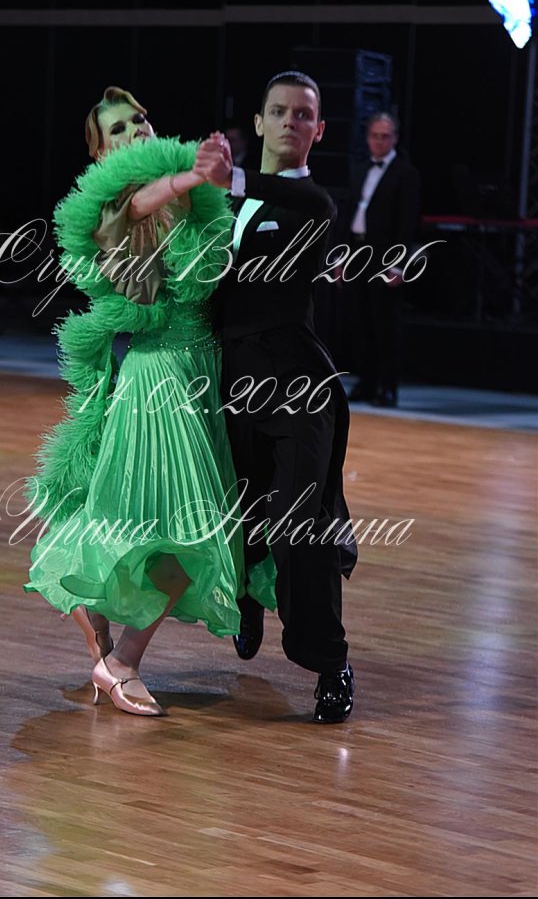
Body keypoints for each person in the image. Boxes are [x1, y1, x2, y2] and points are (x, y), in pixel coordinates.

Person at [23, 86, 259, 717]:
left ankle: (106, 645)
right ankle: (120, 661)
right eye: (119, 129)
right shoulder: (113, 209)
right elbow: (138, 202)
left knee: (166, 530)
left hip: (201, 373)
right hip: (158, 381)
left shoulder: (189, 203)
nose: (137, 132)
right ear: (102, 153)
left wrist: (206, 184)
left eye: (140, 120)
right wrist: (192, 175)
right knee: (187, 532)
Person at [194, 71, 358, 724]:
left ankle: (330, 662)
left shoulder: (312, 204)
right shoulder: (223, 205)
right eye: (279, 111)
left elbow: (306, 203)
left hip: (297, 388)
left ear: (319, 130)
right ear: (259, 122)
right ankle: (246, 598)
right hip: (231, 383)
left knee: (300, 526)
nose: (291, 121)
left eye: (304, 114)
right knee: (236, 515)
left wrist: (228, 177)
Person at [343, 112, 421, 407]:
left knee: (384, 324)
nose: (379, 141)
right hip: (358, 252)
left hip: (385, 257)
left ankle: (387, 386)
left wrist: (398, 264)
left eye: (385, 136)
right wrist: (342, 258)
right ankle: (366, 381)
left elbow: (407, 223)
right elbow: (350, 215)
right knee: (360, 321)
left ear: (395, 139)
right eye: (375, 136)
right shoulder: (360, 169)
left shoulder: (405, 173)